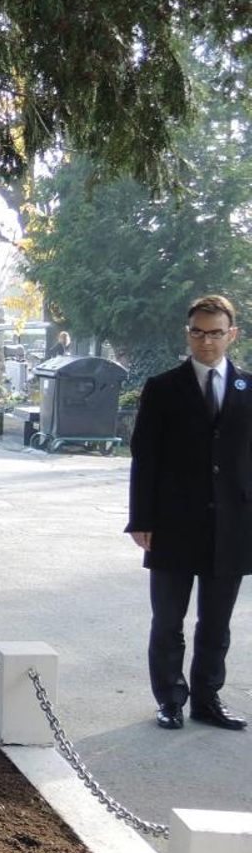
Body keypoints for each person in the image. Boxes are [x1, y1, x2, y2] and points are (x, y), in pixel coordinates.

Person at [127, 294, 252, 731]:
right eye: (198, 332)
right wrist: (141, 519)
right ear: (188, 333)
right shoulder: (163, 388)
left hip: (232, 526)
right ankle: (170, 699)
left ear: (232, 334)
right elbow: (145, 457)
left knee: (216, 623)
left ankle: (207, 699)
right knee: (168, 621)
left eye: (215, 333)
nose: (206, 341)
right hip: (172, 523)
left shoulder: (248, 388)